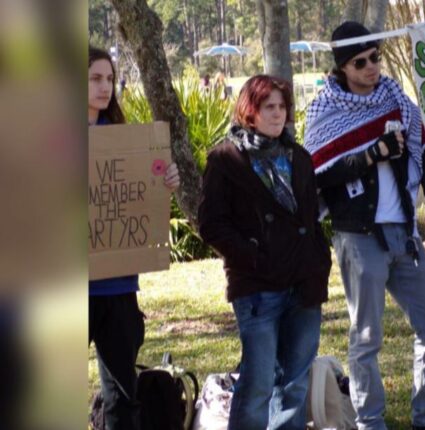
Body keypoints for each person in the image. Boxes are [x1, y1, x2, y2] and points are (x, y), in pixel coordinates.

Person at [304, 21, 425, 430]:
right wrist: (370, 155)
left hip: (404, 233)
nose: (371, 67)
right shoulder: (324, 109)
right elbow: (317, 175)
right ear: (342, 67)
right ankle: (370, 422)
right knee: (367, 336)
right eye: (360, 62)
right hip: (358, 235)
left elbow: (424, 151)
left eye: (375, 57)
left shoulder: (397, 100)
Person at [198, 75, 332, 430]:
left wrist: (319, 259)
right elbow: (211, 224)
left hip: (304, 282)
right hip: (257, 286)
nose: (277, 114)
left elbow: (311, 218)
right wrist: (252, 256)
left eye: (282, 106)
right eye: (268, 106)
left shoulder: (299, 157)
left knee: (295, 382)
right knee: (258, 382)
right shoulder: (226, 159)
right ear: (250, 112)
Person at [88, 46, 181, 430]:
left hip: (119, 289)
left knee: (123, 396)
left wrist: (166, 181)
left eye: (110, 79)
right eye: (95, 78)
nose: (105, 87)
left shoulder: (126, 141)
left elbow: (140, 200)